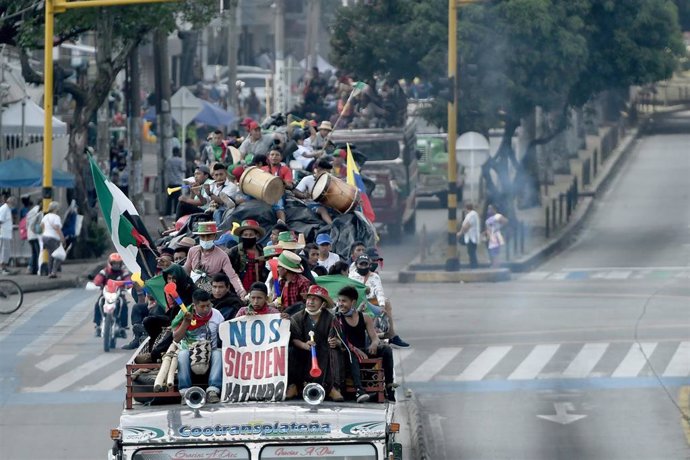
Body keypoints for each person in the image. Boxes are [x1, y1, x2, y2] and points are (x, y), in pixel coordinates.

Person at [335, 285, 394, 402]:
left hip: (364, 351)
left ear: (353, 302)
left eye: (344, 301)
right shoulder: (337, 318)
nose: (341, 304)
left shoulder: (365, 317)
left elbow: (375, 338)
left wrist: (374, 344)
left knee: (386, 349)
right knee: (352, 354)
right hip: (348, 353)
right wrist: (353, 349)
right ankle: (359, 390)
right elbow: (338, 340)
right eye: (339, 301)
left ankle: (389, 386)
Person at [287, 285, 344, 401]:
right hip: (304, 351)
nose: (310, 302)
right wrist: (304, 345)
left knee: (334, 351)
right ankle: (293, 386)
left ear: (323, 304)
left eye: (315, 299)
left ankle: (333, 388)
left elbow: (340, 340)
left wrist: (335, 342)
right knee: (292, 351)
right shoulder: (297, 318)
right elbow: (293, 339)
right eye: (309, 298)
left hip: (324, 351)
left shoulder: (331, 318)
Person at [172, 289, 225, 404]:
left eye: (208, 305)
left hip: (210, 352)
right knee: (182, 354)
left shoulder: (217, 315)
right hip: (190, 353)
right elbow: (176, 338)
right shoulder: (185, 314)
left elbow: (225, 336)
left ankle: (213, 391)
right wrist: (186, 323)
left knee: (218, 353)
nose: (206, 309)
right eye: (202, 306)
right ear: (194, 305)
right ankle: (185, 392)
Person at [352, 252, 409, 349]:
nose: (363, 266)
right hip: (356, 304)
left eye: (366, 264)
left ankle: (391, 334)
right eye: (361, 264)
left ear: (369, 265)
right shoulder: (352, 276)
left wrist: (382, 306)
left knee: (386, 303)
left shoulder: (374, 276)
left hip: (372, 303)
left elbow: (379, 291)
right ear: (356, 265)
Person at [141, 263, 195, 361]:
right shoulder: (168, 289)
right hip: (173, 317)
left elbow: (189, 310)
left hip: (186, 321)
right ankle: (154, 344)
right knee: (148, 321)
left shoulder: (191, 289)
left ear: (180, 277)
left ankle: (153, 355)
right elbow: (171, 308)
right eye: (169, 278)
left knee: (172, 333)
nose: (171, 281)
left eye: (174, 278)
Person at [183, 221, 247, 298]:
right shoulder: (193, 251)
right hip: (193, 291)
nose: (206, 239)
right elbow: (186, 271)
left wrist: (241, 292)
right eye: (203, 236)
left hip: (212, 294)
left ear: (214, 236)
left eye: (209, 236)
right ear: (199, 237)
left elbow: (232, 276)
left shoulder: (222, 255)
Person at [92, 252, 132, 337]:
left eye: (118, 264)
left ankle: (123, 327)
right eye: (114, 263)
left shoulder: (124, 272)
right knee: (98, 303)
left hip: (118, 294)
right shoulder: (104, 271)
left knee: (123, 304)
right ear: (110, 263)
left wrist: (129, 284)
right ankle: (98, 325)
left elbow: (128, 280)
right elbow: (98, 279)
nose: (116, 266)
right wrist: (97, 283)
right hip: (106, 293)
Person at [227, 219, 267, 293]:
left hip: (259, 291)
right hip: (240, 291)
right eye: (245, 235)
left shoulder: (263, 251)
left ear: (257, 236)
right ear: (241, 236)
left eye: (251, 235)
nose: (248, 237)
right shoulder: (234, 251)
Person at [292, 158, 334, 224]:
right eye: (326, 172)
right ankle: (332, 225)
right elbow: (296, 192)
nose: (328, 175)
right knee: (322, 210)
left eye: (329, 172)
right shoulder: (307, 179)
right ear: (319, 169)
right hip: (311, 204)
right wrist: (304, 195)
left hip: (327, 204)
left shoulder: (330, 180)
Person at [261, 148, 293, 223]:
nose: (274, 157)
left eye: (277, 155)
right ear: (268, 157)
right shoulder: (263, 169)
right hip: (262, 191)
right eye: (272, 155)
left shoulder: (285, 169)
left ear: (281, 157)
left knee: (278, 205)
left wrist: (280, 181)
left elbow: (290, 185)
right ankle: (233, 202)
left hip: (277, 193)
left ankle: (282, 223)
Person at [276, 250, 311, 315]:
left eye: (278, 267)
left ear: (285, 269)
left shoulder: (303, 282)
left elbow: (306, 305)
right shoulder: (281, 282)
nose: (277, 269)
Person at [40, 201, 66, 279]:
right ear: (56, 208)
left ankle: (50, 272)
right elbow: (57, 228)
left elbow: (41, 225)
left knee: (51, 255)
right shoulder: (56, 217)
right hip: (53, 238)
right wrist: (62, 238)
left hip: (45, 237)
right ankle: (53, 272)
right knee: (59, 255)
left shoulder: (46, 216)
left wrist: (46, 230)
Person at [457, 202, 480, 269]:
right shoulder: (472, 214)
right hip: (471, 237)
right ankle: (473, 265)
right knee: (471, 252)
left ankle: (474, 266)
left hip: (471, 237)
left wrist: (460, 233)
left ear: (466, 208)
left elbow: (467, 225)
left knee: (471, 252)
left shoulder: (472, 215)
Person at [165, 146, 186, 216]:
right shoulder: (180, 160)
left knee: (169, 199)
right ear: (178, 152)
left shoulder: (169, 160)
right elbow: (183, 169)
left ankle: (168, 213)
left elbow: (166, 168)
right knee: (177, 199)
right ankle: (175, 213)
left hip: (170, 182)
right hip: (177, 182)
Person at [25, 200, 43, 275]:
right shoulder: (39, 211)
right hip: (35, 235)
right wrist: (38, 232)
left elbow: (27, 223)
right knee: (38, 252)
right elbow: (36, 223)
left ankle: (32, 269)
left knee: (34, 253)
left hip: (30, 235)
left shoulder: (31, 211)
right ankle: (35, 268)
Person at [0, 196, 16, 275]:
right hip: (3, 234)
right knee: (4, 251)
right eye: (13, 203)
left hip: (6, 234)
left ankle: (4, 267)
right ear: (10, 202)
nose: (14, 205)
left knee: (6, 251)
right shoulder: (4, 209)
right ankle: (2, 268)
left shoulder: (7, 209)